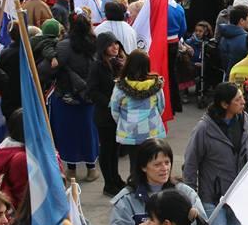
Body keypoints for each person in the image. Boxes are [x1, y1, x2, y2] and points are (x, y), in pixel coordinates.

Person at [182, 82, 248, 225]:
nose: (243, 102)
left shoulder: (246, 121)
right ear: (225, 105)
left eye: (242, 97)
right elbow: (191, 164)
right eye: (238, 99)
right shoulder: (204, 129)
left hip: (238, 195)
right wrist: (190, 196)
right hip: (212, 196)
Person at [110, 138, 205, 225]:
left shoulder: (185, 193)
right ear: (143, 167)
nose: (164, 168)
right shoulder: (126, 200)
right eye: (157, 164)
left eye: (167, 162)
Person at [109, 49, 166, 197]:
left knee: (134, 163)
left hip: (130, 133)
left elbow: (115, 110)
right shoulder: (156, 85)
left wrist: (124, 123)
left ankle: (136, 192)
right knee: (153, 161)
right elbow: (161, 106)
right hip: (152, 132)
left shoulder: (120, 86)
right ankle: (153, 191)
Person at [51, 15, 100, 182]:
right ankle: (91, 168)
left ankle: (71, 169)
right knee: (89, 132)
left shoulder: (63, 45)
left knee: (68, 133)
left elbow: (54, 69)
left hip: (67, 96)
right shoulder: (95, 45)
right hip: (89, 97)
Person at [87, 31, 127, 196]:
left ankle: (115, 178)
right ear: (103, 47)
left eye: (116, 43)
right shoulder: (97, 66)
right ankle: (109, 183)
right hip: (104, 115)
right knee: (107, 149)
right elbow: (92, 91)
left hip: (117, 115)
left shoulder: (117, 63)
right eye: (111, 44)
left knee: (115, 149)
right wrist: (110, 103)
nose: (115, 47)